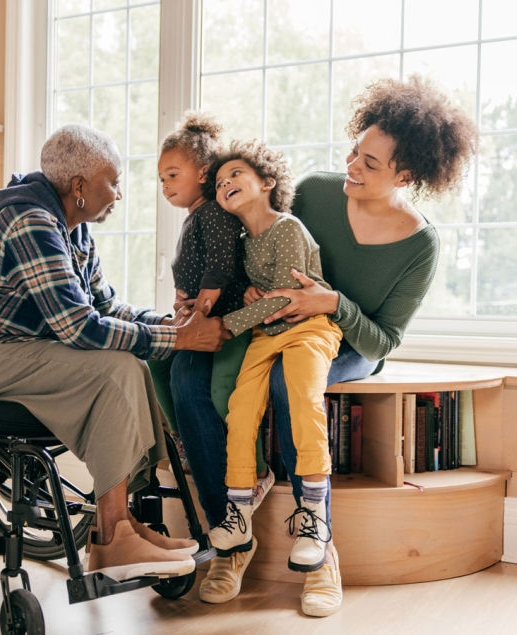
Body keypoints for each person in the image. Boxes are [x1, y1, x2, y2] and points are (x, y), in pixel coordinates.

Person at [171, 75, 478, 615]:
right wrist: (242, 289)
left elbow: (385, 339)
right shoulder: (314, 190)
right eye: (355, 152)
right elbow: (258, 243)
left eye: (371, 164)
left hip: (346, 341)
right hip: (274, 323)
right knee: (187, 376)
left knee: (290, 387)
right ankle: (233, 535)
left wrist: (332, 303)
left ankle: (320, 550)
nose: (353, 168)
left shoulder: (419, 243)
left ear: (405, 175)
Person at [0, 123, 230, 583]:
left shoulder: (73, 231)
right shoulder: (30, 221)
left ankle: (119, 528)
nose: (118, 194)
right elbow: (77, 327)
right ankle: (113, 535)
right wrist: (181, 340)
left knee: (131, 363)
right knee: (115, 367)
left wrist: (170, 324)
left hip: (8, 351)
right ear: (79, 187)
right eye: (112, 182)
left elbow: (104, 307)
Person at [202, 140, 343, 578]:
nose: (225, 184)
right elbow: (259, 293)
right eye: (220, 182)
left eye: (236, 175)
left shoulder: (288, 228)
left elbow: (285, 298)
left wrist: (227, 324)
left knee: (303, 398)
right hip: (266, 334)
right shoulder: (243, 242)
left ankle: (314, 517)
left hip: (308, 328)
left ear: (267, 182)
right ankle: (239, 511)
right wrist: (246, 295)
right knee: (240, 408)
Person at [147, 112, 273, 490]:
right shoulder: (194, 218)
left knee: (213, 391)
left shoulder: (214, 213)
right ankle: (183, 442)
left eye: (173, 175)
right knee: (156, 356)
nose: (165, 185)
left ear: (203, 173)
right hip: (201, 315)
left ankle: (251, 468)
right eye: (161, 179)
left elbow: (220, 267)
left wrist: (198, 311)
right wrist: (182, 301)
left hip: (226, 318)